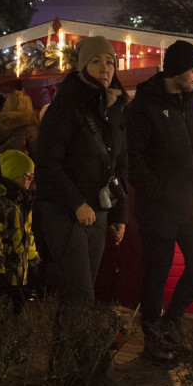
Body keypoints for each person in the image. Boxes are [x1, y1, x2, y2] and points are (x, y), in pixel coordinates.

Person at [126, 39, 193, 362]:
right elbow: (133, 161)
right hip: (159, 209)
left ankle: (172, 321)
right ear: (177, 70)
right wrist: (161, 191)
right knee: (157, 273)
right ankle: (152, 339)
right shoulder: (143, 107)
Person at [35, 36, 129, 307]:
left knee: (78, 295)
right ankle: (81, 350)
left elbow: (121, 163)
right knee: (80, 295)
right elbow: (47, 163)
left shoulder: (115, 110)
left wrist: (120, 213)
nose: (105, 68)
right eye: (96, 61)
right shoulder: (65, 107)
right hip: (66, 214)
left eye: (110, 62)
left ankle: (66, 349)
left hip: (99, 213)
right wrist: (77, 203)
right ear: (82, 67)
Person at [0, 149, 38, 314]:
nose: (30, 180)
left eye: (32, 176)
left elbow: (27, 233)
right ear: (13, 174)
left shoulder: (21, 201)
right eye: (27, 175)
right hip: (1, 277)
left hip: (16, 273)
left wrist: (32, 258)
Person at [0, 89, 38, 169]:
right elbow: (37, 155)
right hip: (22, 174)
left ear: (7, 104)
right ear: (28, 106)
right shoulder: (28, 129)